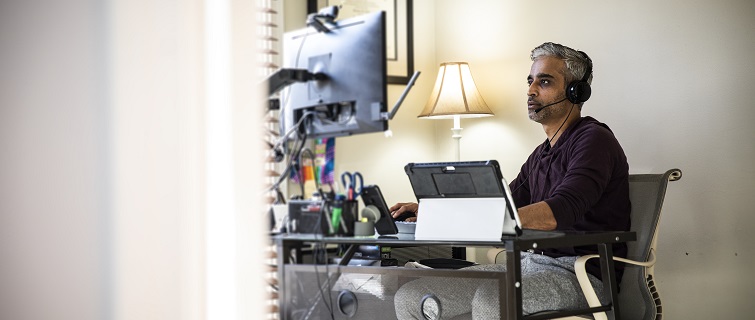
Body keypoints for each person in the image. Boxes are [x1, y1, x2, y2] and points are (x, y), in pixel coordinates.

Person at [390, 42, 630, 318]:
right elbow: (503, 202)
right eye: (530, 81)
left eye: (545, 81)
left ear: (576, 92)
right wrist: (429, 210)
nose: (531, 90)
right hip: (527, 264)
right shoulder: (541, 154)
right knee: (413, 296)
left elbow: (562, 209)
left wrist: (487, 219)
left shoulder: (594, 140)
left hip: (580, 275)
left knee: (493, 301)